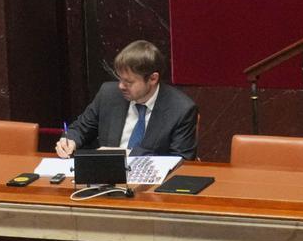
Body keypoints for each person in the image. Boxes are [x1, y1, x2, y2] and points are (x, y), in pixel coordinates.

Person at [53, 40, 198, 160]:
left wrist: (128, 154)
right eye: (119, 79)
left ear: (153, 78)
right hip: (105, 178)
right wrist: (70, 140)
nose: (121, 86)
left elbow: (182, 160)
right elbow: (79, 128)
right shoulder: (108, 94)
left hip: (153, 186)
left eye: (129, 82)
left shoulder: (181, 109)